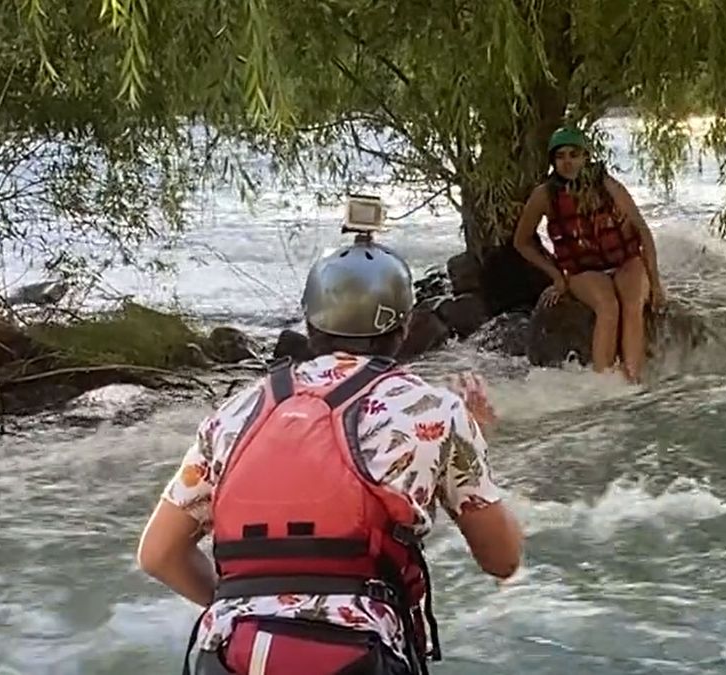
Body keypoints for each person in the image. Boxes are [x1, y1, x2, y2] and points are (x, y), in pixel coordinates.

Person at [136, 223, 524, 675]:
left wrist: (250, 606)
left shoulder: (234, 413)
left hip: (233, 651)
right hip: (357, 656)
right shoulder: (434, 410)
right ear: (403, 326)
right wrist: (474, 444)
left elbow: (159, 554)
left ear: (310, 323)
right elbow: (502, 559)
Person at [513, 125, 666, 383]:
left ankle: (633, 380)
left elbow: (642, 231)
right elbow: (522, 241)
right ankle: (604, 383)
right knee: (608, 306)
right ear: (552, 161)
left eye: (574, 155)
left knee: (632, 304)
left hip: (625, 261)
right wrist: (557, 276)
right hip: (584, 270)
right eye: (560, 156)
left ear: (586, 157)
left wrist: (656, 284)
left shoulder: (607, 185)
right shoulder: (545, 195)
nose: (568, 162)